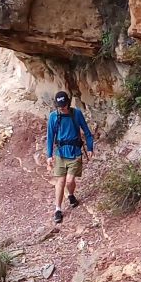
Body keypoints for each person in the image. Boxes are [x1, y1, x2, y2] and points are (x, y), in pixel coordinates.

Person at [45, 90, 94, 221]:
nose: (62, 108)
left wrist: (90, 147)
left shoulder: (76, 113)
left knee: (70, 180)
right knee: (60, 181)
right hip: (60, 153)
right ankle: (58, 209)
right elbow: (50, 137)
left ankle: (71, 195)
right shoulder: (53, 117)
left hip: (75, 152)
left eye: (64, 105)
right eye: (60, 106)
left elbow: (87, 131)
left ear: (68, 103)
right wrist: (49, 155)